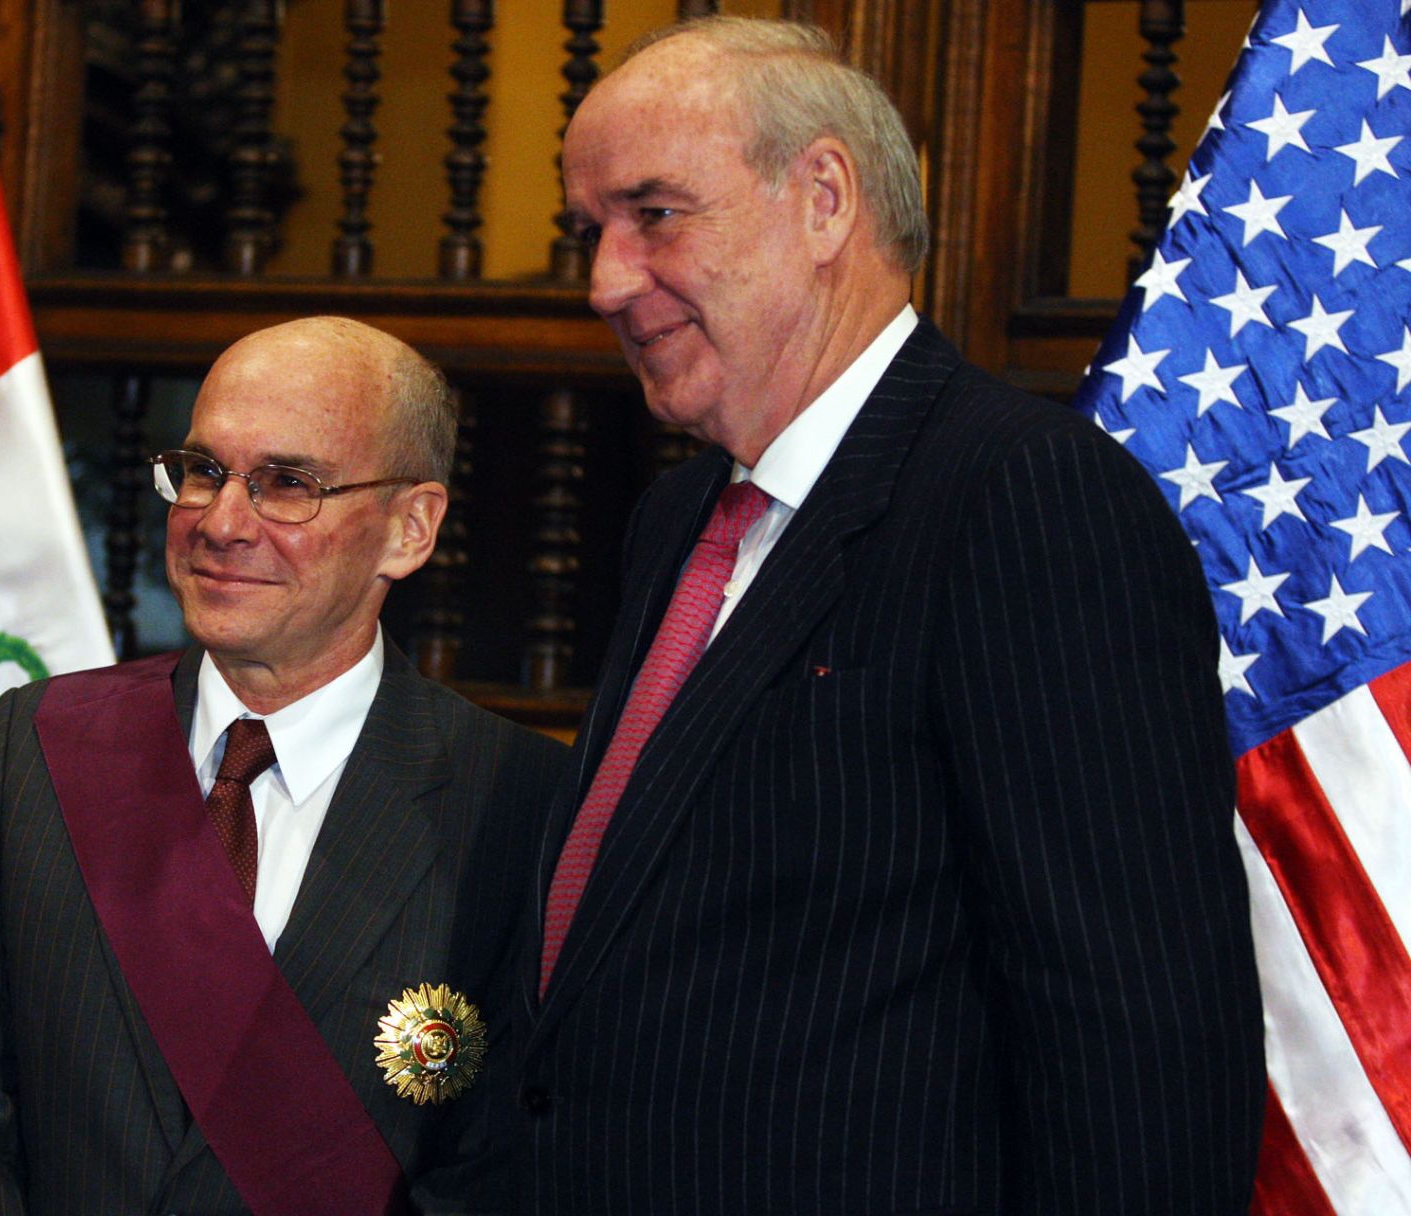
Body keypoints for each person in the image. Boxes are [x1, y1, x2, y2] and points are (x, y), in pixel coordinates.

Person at [514, 18, 1264, 1215]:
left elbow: (1141, 1046)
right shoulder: (678, 518)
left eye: (654, 214)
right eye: (589, 231)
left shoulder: (1023, 499)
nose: (605, 279)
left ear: (822, 200)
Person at [0, 316, 565, 1216]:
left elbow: (505, 1160)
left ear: (409, 529)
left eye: (288, 484)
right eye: (203, 471)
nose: (221, 522)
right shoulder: (45, 744)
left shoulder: (520, 802)